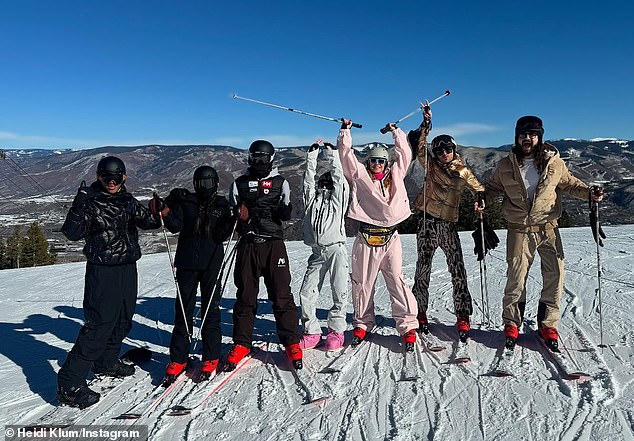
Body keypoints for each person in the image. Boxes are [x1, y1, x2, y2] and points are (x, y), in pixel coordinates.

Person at [485, 116, 604, 350]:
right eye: (523, 134)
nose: (527, 138)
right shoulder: (506, 165)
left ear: (539, 137)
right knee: (516, 278)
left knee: (555, 276)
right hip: (519, 228)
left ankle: (548, 324)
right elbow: (493, 189)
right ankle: (512, 323)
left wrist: (590, 193)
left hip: (548, 227)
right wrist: (483, 200)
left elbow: (570, 184)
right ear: (517, 137)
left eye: (532, 134)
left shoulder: (553, 162)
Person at [57, 156, 161, 409]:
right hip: (102, 270)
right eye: (106, 178)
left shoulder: (127, 200)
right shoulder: (91, 201)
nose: (111, 182)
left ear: (124, 177)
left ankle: (106, 361)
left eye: (116, 178)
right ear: (98, 177)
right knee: (99, 324)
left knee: (124, 318)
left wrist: (157, 209)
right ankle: (69, 383)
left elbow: (150, 222)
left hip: (127, 266)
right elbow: (71, 233)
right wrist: (79, 205)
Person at [338, 119, 419, 350]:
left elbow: (405, 155)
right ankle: (362, 322)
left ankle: (407, 324)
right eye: (372, 160)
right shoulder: (360, 178)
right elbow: (346, 157)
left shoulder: (395, 177)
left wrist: (397, 132)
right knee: (362, 282)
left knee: (397, 280)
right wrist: (345, 131)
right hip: (366, 236)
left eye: (381, 161)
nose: (376, 165)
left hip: (390, 236)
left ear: (386, 163)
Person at [408, 105, 487, 342]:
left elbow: (478, 188)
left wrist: (480, 200)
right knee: (422, 270)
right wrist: (426, 123)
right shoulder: (430, 165)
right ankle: (419, 312)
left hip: (448, 225)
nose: (444, 153)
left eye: (448, 149)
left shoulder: (463, 171)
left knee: (457, 269)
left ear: (454, 150)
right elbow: (420, 146)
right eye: (440, 150)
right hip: (426, 221)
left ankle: (463, 315)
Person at [149, 166, 234, 384]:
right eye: (200, 182)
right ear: (195, 183)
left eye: (207, 182)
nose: (203, 186)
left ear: (215, 183)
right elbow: (175, 227)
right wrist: (166, 212)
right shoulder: (186, 202)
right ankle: (179, 358)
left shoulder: (222, 205)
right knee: (183, 311)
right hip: (187, 262)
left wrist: (234, 218)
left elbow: (221, 234)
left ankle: (211, 356)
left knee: (210, 310)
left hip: (212, 263)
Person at [225, 140, 303, 369]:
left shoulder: (281, 182)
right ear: (250, 158)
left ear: (271, 159)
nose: (259, 161)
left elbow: (286, 210)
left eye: (263, 158)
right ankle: (242, 343)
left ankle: (291, 341)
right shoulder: (239, 183)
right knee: (246, 295)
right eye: (255, 157)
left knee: (281, 294)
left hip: (273, 244)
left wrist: (283, 210)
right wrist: (238, 216)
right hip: (248, 243)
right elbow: (233, 214)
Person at [298, 139, 350, 351]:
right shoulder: (312, 201)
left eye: (328, 184)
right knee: (307, 290)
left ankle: (336, 331)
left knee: (340, 290)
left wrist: (332, 155)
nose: (324, 187)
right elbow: (307, 183)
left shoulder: (338, 202)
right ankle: (311, 331)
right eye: (322, 184)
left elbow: (340, 181)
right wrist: (311, 157)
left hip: (336, 249)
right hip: (317, 252)